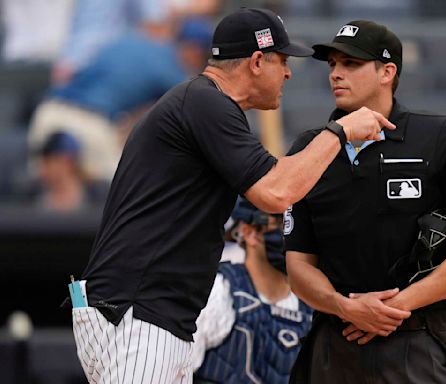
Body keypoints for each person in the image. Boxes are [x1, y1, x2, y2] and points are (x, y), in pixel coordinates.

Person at [68, 8, 394, 384]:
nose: (288, 72)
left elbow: (274, 184)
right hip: (140, 308)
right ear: (257, 61)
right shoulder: (205, 102)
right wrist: (340, 132)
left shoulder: (203, 103)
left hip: (140, 306)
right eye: (283, 61)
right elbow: (275, 192)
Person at [284, 20, 446, 383]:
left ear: (387, 72)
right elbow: (298, 267)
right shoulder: (309, 149)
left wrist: (392, 308)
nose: (336, 74)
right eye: (333, 64)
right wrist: (347, 308)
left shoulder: (445, 138)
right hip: (334, 344)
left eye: (350, 64)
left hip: (418, 340)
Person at [28, 16, 213, 182]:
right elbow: (201, 106)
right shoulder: (170, 67)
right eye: (203, 56)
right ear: (193, 50)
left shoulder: (129, 40)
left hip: (48, 113)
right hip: (88, 124)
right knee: (119, 193)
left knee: (40, 195)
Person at [191, 197, 312, 383]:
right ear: (248, 232)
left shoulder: (311, 306)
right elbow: (177, 370)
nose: (289, 232)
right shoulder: (219, 291)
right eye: (280, 223)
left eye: (293, 225)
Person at [27, 131, 109, 211]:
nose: (43, 166)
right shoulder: (32, 194)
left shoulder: (97, 195)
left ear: (68, 162)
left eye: (49, 160)